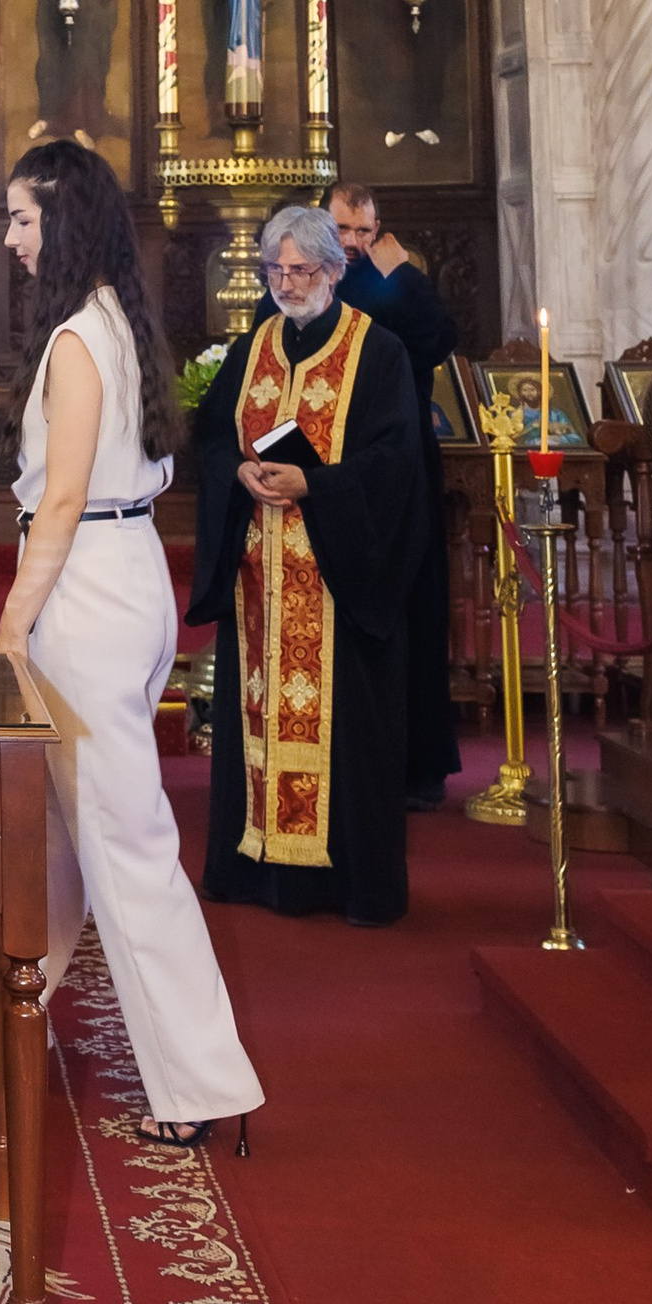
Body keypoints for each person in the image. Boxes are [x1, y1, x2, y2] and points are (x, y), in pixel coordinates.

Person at [0, 140, 263, 1152]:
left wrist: (12, 625)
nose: (12, 239)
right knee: (63, 832)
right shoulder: (115, 320)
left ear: (59, 223)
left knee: (125, 843)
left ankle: (197, 1080)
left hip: (87, 592)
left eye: (22, 219)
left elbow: (58, 500)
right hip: (128, 574)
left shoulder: (74, 337)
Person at [190, 204, 426, 930]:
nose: (286, 284)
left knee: (346, 733)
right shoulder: (251, 347)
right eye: (275, 270)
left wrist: (312, 485)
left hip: (338, 583)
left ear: (335, 270)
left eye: (300, 270)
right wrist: (239, 474)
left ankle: (347, 882)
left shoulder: (377, 353)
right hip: (260, 578)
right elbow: (209, 440)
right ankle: (258, 869)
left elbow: (396, 466)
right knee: (257, 721)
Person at [328, 184, 462, 812]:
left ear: (378, 229)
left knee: (414, 601)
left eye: (363, 230)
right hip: (337, 467)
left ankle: (420, 764)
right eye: (342, 229)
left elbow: (437, 339)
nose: (353, 242)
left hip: (404, 464)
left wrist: (403, 273)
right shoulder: (314, 279)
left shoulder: (400, 280)